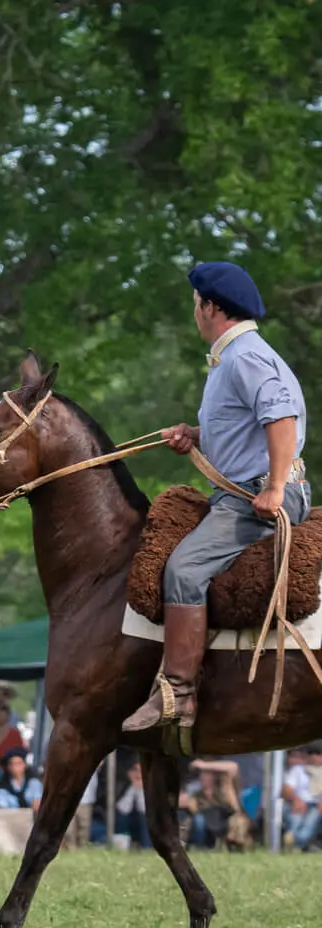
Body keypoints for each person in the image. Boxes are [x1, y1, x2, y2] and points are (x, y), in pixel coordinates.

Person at [125, 262, 309, 733]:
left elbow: (281, 421)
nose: (194, 314)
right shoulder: (237, 356)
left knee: (183, 571)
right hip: (248, 492)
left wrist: (273, 486)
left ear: (211, 307)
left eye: (195, 305)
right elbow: (244, 427)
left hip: (256, 498)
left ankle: (179, 695)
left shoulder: (244, 358)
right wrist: (195, 434)